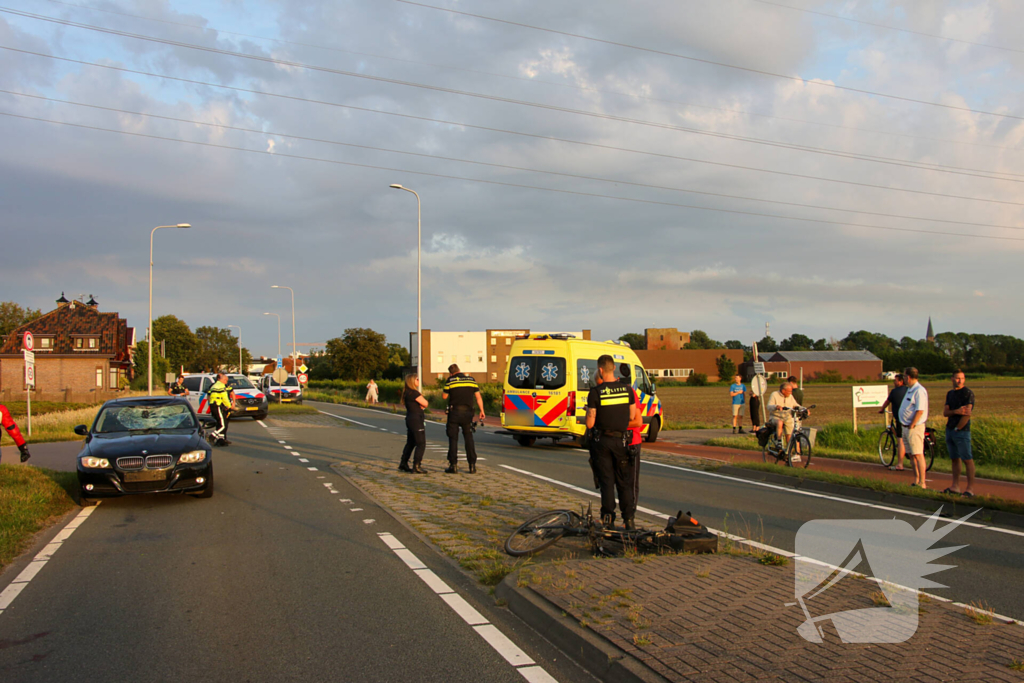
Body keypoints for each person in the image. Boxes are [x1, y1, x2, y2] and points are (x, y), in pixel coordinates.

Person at [586, 355, 639, 530]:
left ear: (600, 370)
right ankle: (628, 520)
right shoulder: (627, 390)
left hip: (602, 442)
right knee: (624, 482)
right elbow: (632, 416)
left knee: (607, 482)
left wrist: (589, 411)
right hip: (622, 441)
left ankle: (608, 519)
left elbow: (590, 423)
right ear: (614, 368)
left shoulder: (595, 392)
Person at [442, 365, 485, 474]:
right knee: (468, 438)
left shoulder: (450, 380)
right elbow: (478, 397)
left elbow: (444, 396)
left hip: (454, 413)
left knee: (453, 439)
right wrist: (482, 411)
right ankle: (472, 465)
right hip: (468, 413)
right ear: (459, 370)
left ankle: (453, 465)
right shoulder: (471, 380)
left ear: (451, 373)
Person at [942, 370, 975, 497]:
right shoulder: (950, 394)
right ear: (952, 379)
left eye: (962, 378)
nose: (959, 380)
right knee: (954, 459)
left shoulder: (967, 393)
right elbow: (946, 412)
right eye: (957, 378)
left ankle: (970, 489)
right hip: (949, 429)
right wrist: (956, 411)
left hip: (962, 431)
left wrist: (958, 428)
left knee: (967, 459)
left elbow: (967, 413)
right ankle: (955, 486)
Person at [898, 367, 929, 489]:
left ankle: (922, 482)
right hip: (905, 426)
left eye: (905, 376)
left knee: (917, 454)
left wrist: (912, 424)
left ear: (908, 377)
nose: (904, 379)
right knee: (911, 455)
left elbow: (920, 410)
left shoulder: (919, 390)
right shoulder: (910, 390)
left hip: (914, 427)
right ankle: (916, 479)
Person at [398, 374, 429, 474]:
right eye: (417, 379)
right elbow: (425, 403)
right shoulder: (414, 393)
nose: (418, 380)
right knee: (421, 443)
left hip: (410, 419)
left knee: (411, 442)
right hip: (416, 420)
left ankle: (403, 462)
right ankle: (416, 465)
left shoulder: (407, 393)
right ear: (412, 381)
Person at [878, 373, 907, 471]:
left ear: (900, 381)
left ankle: (900, 464)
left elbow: (887, 402)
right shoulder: (909, 390)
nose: (894, 382)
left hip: (900, 418)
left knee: (900, 440)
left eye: (895, 381)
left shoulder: (894, 392)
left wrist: (882, 409)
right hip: (910, 418)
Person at [207, 372, 237, 446]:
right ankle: (212, 436)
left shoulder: (213, 386)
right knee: (222, 425)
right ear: (222, 380)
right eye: (226, 380)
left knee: (221, 422)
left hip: (214, 405)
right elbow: (224, 398)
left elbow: (209, 395)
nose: (226, 382)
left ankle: (221, 440)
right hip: (218, 405)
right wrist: (230, 406)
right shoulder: (221, 386)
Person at [767, 382, 800, 446]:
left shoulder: (790, 396)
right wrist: (776, 406)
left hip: (787, 417)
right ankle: (779, 441)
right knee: (780, 422)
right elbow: (769, 406)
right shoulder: (774, 394)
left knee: (789, 436)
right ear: (783, 390)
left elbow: (795, 404)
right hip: (775, 416)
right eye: (789, 391)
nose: (791, 393)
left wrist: (805, 409)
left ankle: (789, 452)